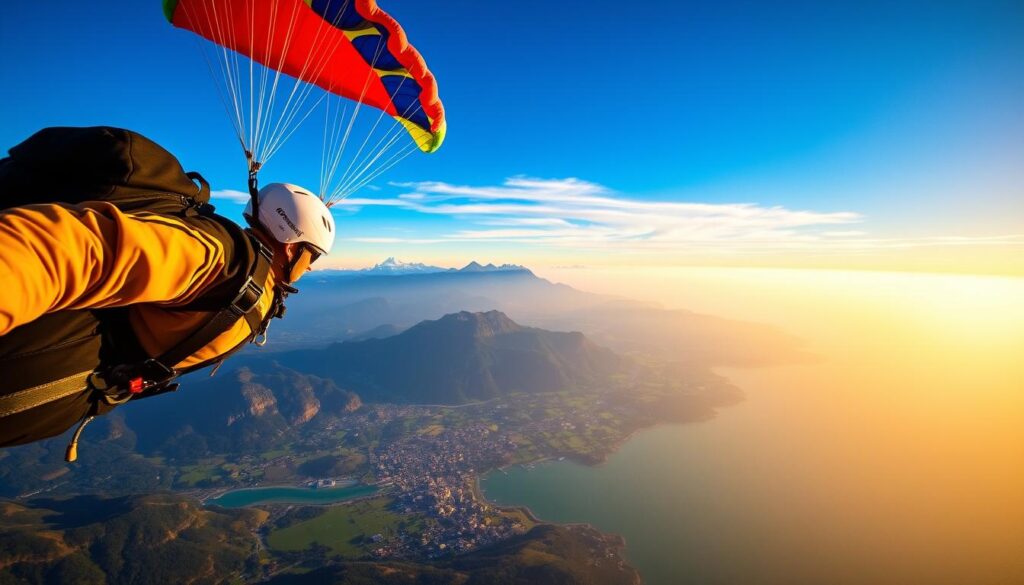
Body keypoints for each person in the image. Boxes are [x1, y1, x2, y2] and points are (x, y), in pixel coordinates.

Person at [0, 128, 335, 456]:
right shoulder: (221, 258)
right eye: (313, 255)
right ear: (292, 247)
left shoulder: (252, 278)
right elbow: (66, 250)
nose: (312, 266)